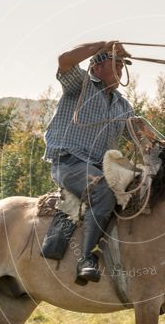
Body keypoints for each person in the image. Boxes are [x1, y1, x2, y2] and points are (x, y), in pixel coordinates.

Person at [43, 40, 135, 285]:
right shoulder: (81, 86)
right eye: (115, 63)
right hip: (69, 164)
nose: (120, 69)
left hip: (97, 166)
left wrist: (159, 145)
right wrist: (102, 45)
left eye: (122, 65)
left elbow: (139, 131)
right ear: (96, 68)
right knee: (104, 190)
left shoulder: (122, 105)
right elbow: (64, 60)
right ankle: (85, 259)